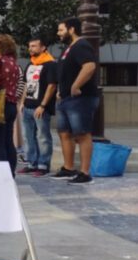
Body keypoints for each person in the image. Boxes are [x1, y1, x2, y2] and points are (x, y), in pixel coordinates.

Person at [54, 17, 99, 184]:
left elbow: (89, 66)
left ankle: (85, 173)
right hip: (66, 99)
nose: (58, 33)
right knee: (64, 133)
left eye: (61, 30)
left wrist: (75, 86)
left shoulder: (81, 45)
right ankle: (68, 168)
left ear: (71, 29)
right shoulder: (69, 48)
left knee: (82, 133)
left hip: (80, 99)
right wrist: (61, 91)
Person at [19, 36, 58, 176]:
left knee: (43, 136)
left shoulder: (50, 64)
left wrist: (42, 105)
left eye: (34, 46)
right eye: (30, 46)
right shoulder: (30, 64)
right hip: (28, 106)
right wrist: (22, 102)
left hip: (40, 107)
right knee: (28, 136)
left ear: (43, 48)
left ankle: (43, 165)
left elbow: (52, 86)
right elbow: (25, 84)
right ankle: (31, 163)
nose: (31, 49)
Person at [0, 34, 23, 174]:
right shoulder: (14, 63)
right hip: (11, 104)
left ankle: (0, 177)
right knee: (8, 142)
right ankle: (11, 174)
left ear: (0, 47)